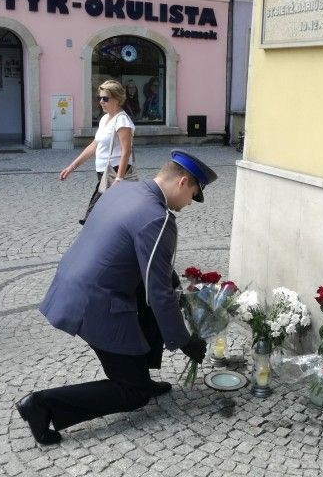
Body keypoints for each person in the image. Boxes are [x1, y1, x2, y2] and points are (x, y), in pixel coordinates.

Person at [15, 150, 217, 445]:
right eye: (193, 195)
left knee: (150, 310)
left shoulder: (123, 189)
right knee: (133, 392)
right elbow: (159, 294)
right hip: (97, 303)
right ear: (182, 182)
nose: (188, 204)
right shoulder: (158, 218)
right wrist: (185, 341)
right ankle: (42, 405)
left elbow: (135, 254)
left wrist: (171, 281)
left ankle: (140, 375)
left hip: (74, 284)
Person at [59, 80, 135, 224]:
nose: (101, 101)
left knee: (93, 215)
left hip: (115, 171)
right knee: (106, 215)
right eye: (99, 98)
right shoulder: (105, 119)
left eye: (105, 98)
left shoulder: (122, 121)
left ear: (117, 99)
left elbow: (126, 151)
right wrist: (71, 167)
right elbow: (94, 145)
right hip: (103, 173)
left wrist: (119, 179)